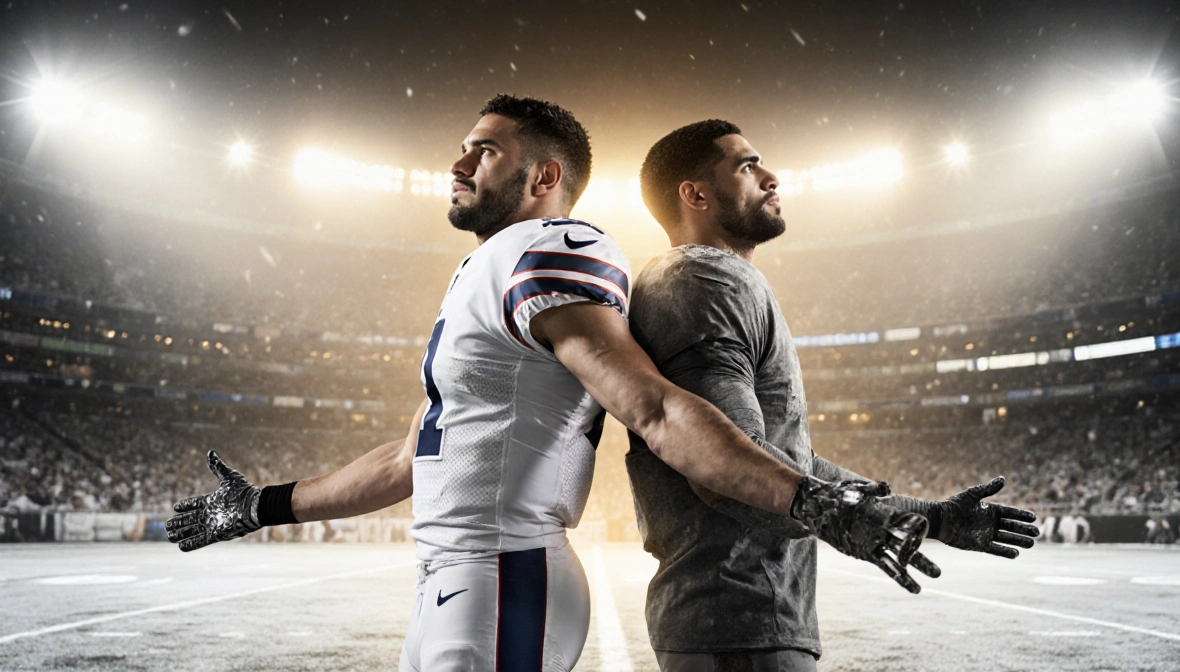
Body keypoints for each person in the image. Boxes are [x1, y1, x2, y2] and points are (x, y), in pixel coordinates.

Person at [164, 97, 936, 672]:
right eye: (463, 149)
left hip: (507, 572)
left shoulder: (558, 248)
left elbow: (656, 407)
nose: (460, 163)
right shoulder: (485, 268)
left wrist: (822, 503)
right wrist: (264, 505)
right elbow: (413, 459)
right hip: (458, 575)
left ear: (545, 175)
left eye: (485, 151)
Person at [627, 119, 1041, 671]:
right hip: (740, 617)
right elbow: (719, 467)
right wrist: (844, 522)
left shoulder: (702, 279)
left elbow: (784, 462)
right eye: (746, 166)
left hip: (738, 619)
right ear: (695, 194)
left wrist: (930, 516)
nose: (771, 177)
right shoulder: (705, 279)